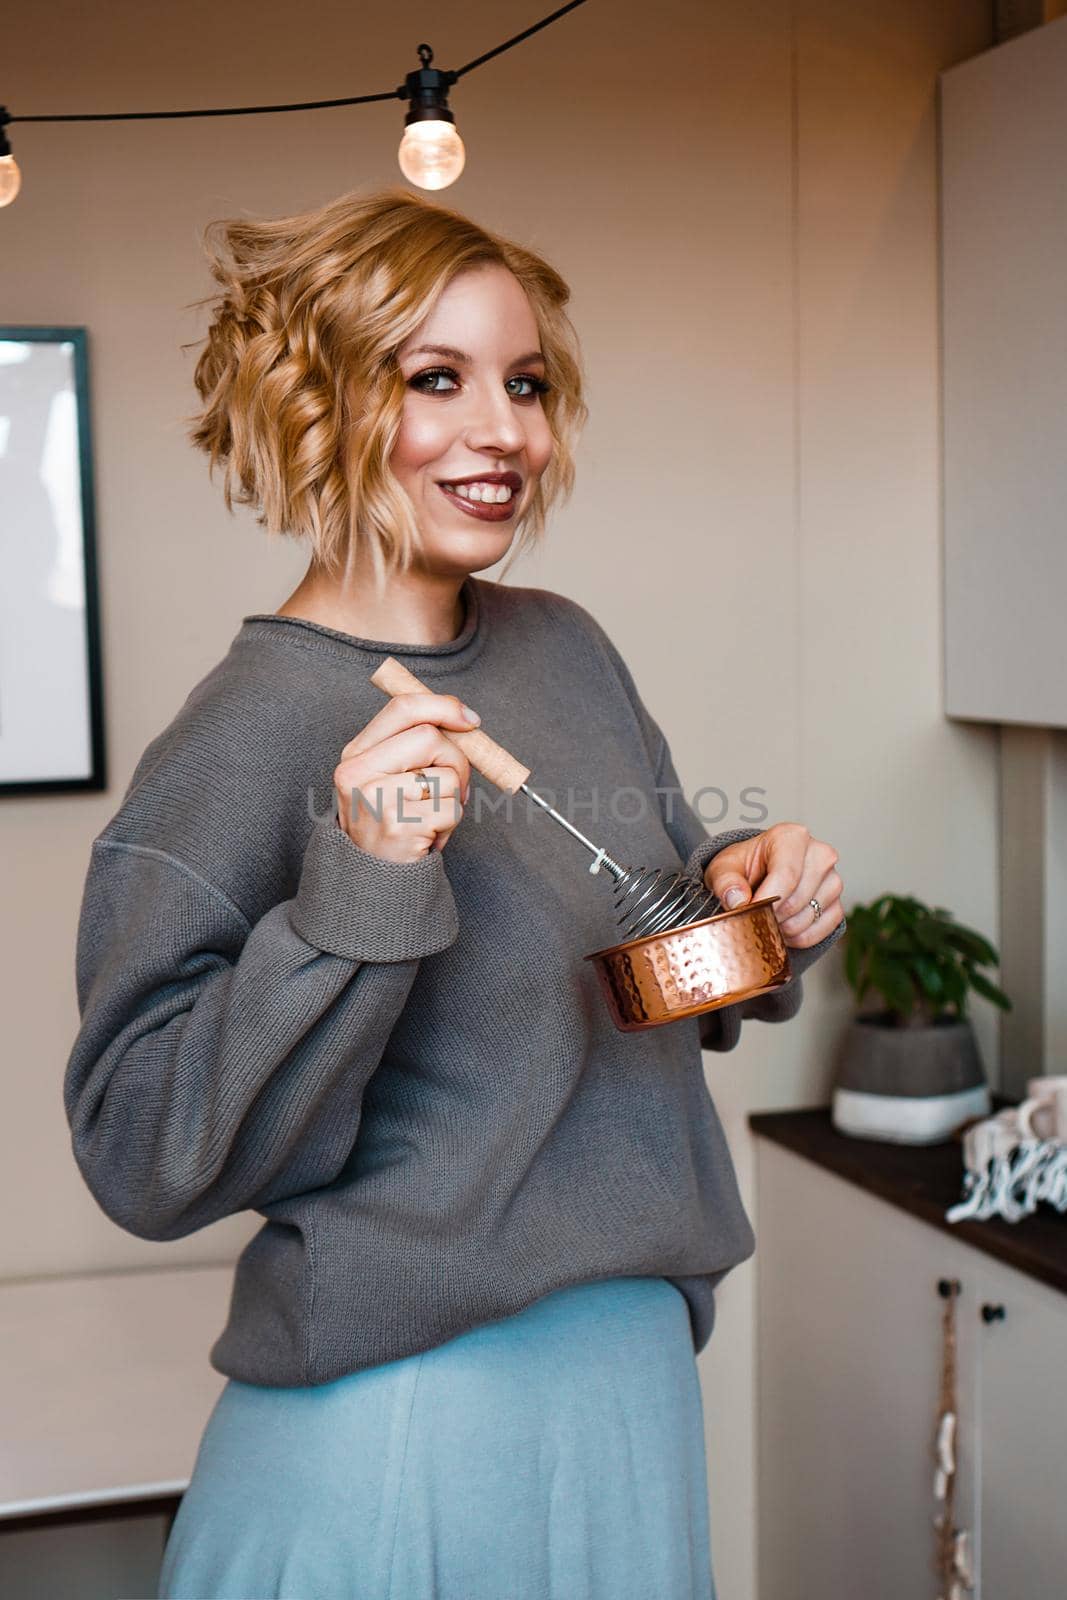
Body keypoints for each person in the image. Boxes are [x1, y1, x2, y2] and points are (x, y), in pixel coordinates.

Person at [63, 187, 845, 1600]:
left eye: (527, 383)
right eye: (439, 380)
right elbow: (140, 1154)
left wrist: (755, 910)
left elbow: (652, 977)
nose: (509, 434)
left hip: (634, 1392)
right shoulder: (241, 737)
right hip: (401, 1428)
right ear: (317, 404)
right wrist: (357, 887)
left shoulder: (570, 652)